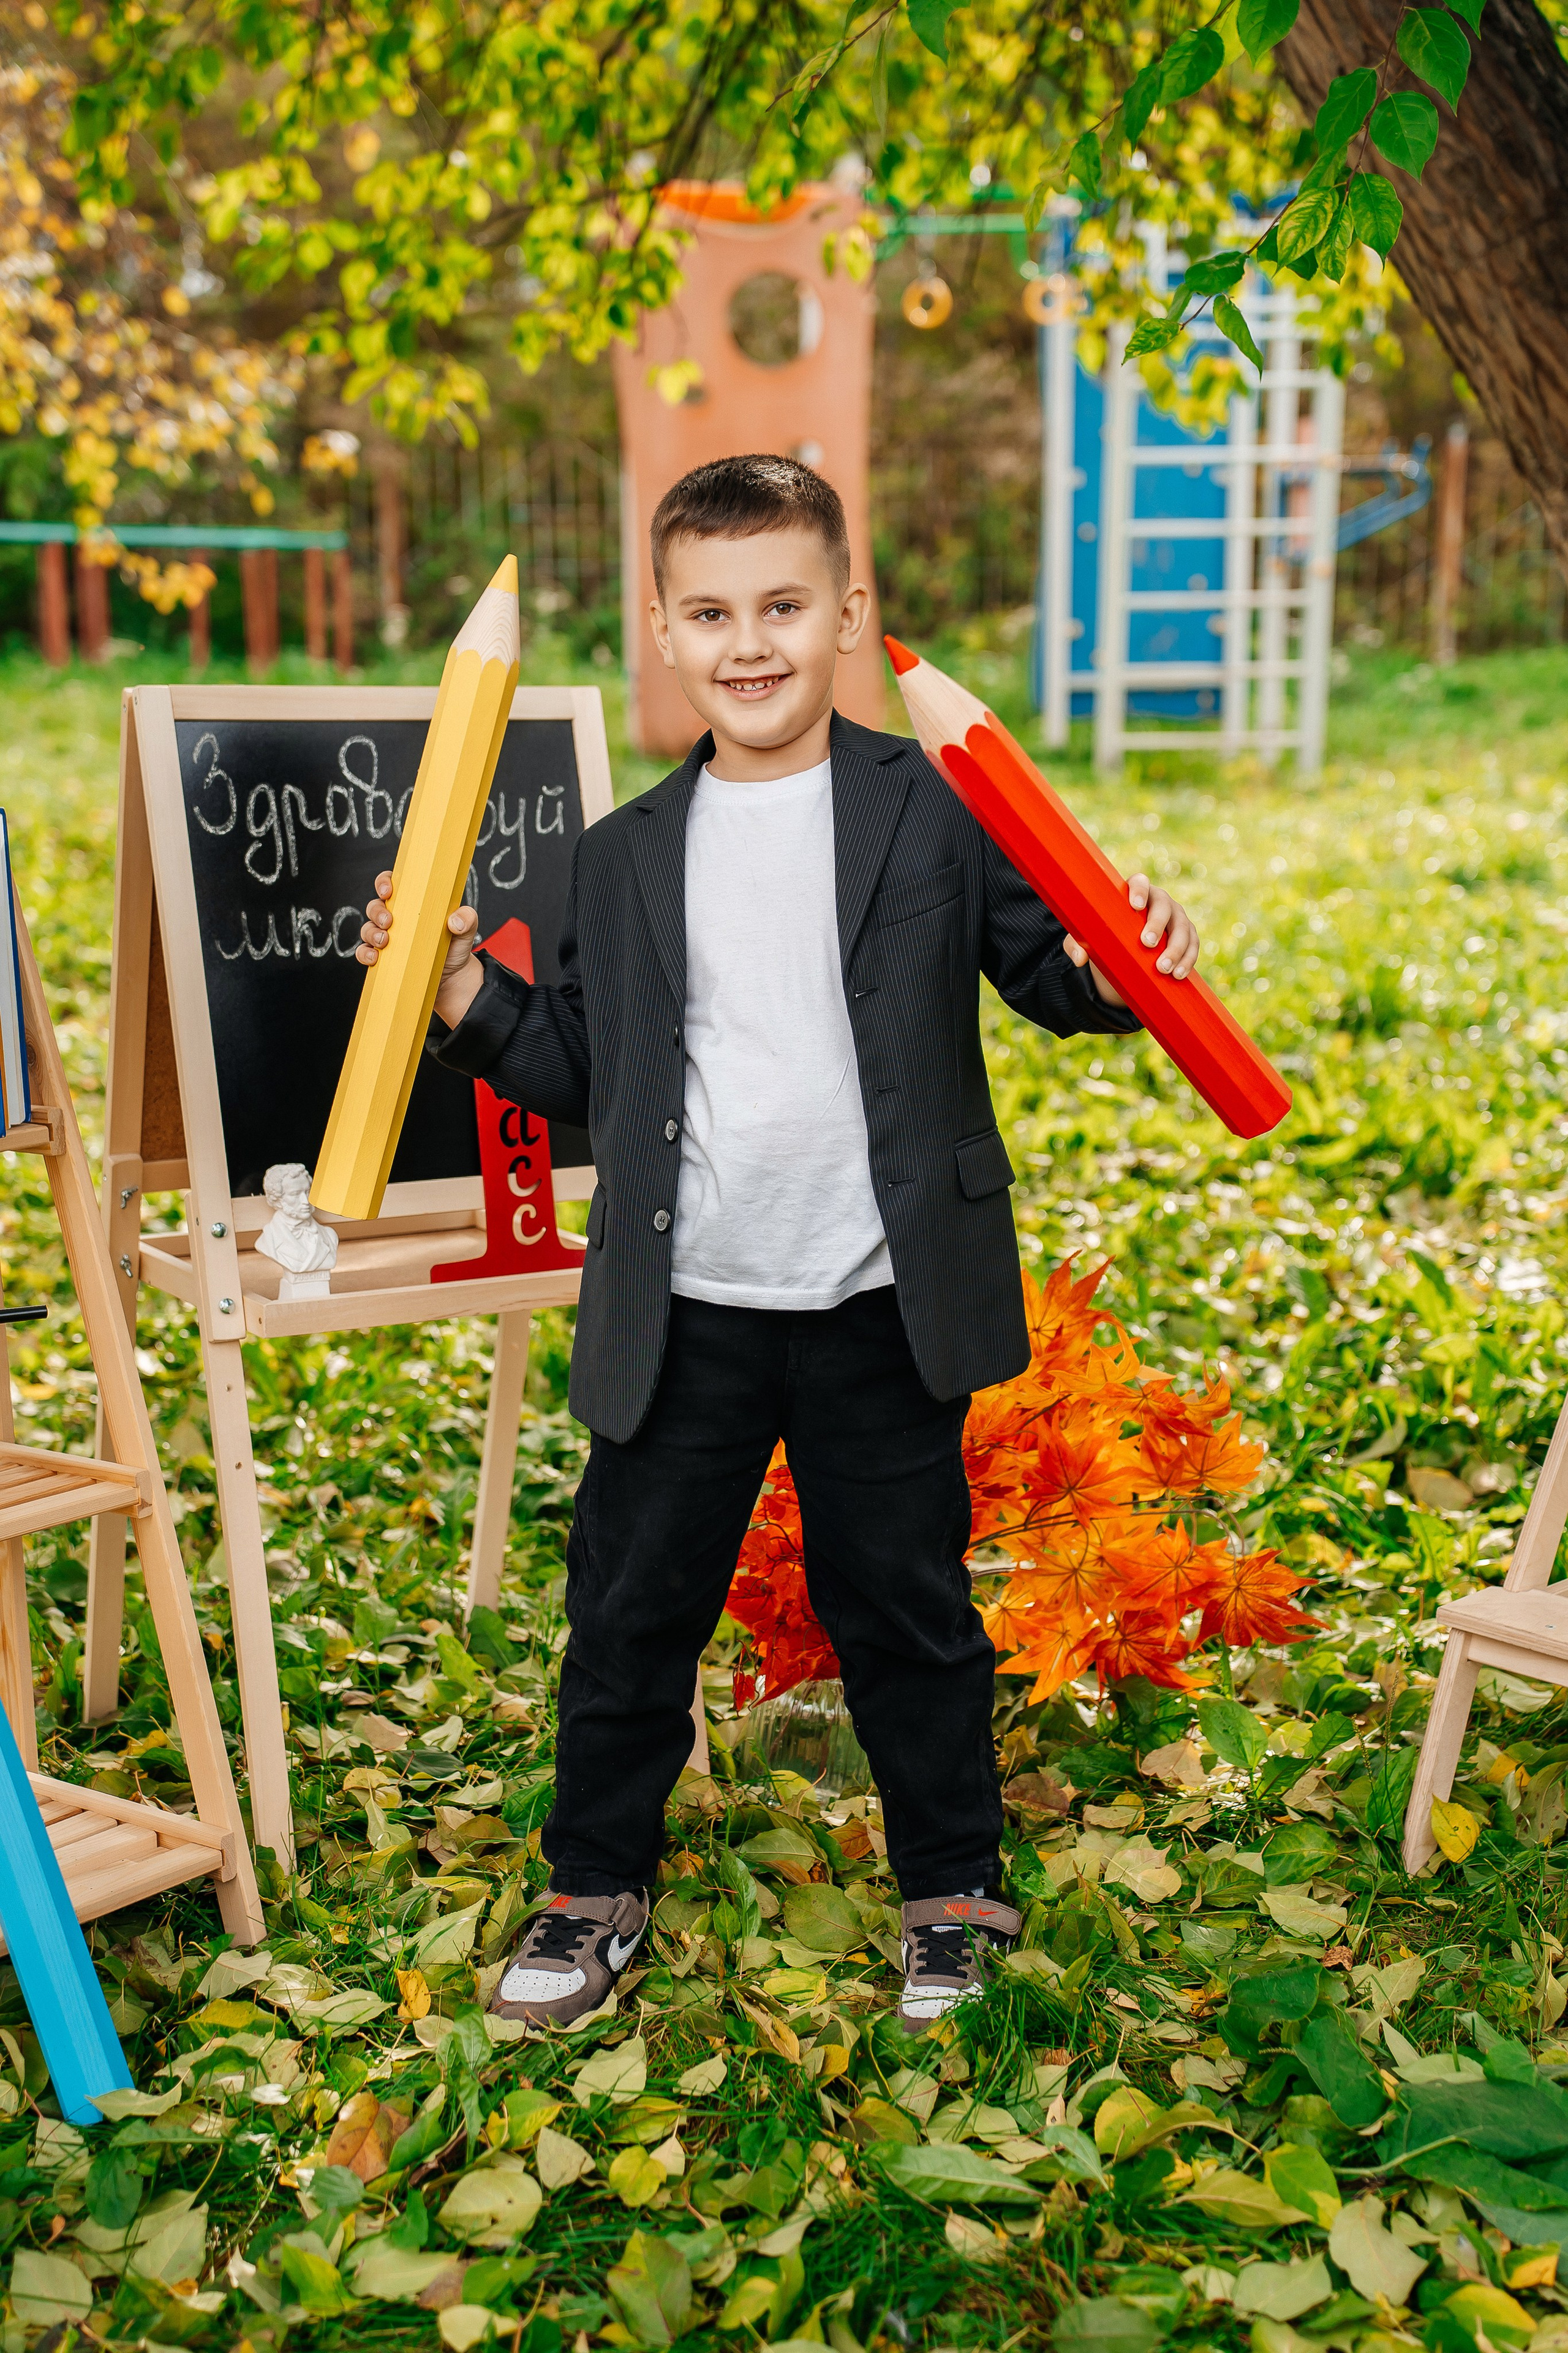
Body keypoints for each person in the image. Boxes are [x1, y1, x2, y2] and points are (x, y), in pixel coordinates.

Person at [355, 454, 1200, 2034]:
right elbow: (577, 1078)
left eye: (786, 607)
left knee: (905, 1604)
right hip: (686, 1308)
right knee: (630, 1608)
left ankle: (950, 1893)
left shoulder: (936, 809)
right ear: (663, 633)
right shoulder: (619, 856)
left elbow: (1051, 969)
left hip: (882, 1296)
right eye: (714, 612)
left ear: (847, 615)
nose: (752, 644)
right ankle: (591, 1888)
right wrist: (463, 994)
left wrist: (1128, 954)